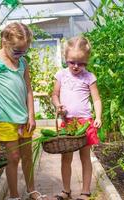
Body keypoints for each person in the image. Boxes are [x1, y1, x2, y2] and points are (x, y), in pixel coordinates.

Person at [0, 22, 47, 200]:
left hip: (23, 118)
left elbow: (29, 90)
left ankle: (31, 190)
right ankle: (14, 195)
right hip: (5, 118)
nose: (20, 55)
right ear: (4, 41)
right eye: (16, 51)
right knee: (13, 157)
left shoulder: (23, 62)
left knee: (27, 156)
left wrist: (31, 115)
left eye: (24, 51)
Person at [52, 36, 102, 200]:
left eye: (81, 63)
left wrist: (98, 116)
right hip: (68, 122)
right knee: (66, 157)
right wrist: (58, 105)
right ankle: (66, 190)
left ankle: (85, 191)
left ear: (87, 61)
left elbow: (96, 99)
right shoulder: (61, 75)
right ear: (65, 58)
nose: (76, 66)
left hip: (85, 123)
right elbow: (54, 94)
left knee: (85, 157)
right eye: (72, 62)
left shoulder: (89, 77)